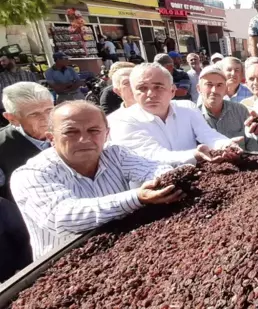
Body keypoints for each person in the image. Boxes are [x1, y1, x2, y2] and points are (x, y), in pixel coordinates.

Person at [11, 101, 184, 260]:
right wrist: (137, 198)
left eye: (94, 131)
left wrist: (165, 179)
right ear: (51, 138)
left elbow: (155, 169)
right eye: (71, 132)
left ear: (106, 134)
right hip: (67, 265)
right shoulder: (31, 174)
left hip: (123, 250)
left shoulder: (115, 154)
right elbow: (63, 218)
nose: (84, 139)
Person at [109, 63, 241, 167]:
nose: (150, 94)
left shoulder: (187, 108)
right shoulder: (121, 120)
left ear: (172, 91)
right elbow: (150, 155)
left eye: (158, 87)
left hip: (193, 183)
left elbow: (207, 133)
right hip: (153, 192)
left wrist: (225, 144)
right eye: (142, 88)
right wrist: (195, 155)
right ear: (133, 91)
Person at [0, 82, 53, 202]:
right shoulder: (2, 147)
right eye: (34, 114)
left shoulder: (69, 133)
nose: (46, 118)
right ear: (12, 118)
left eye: (49, 110)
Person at [198, 65, 254, 151]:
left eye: (219, 85)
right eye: (209, 85)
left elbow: (252, 145)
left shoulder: (240, 111)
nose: (214, 90)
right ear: (199, 89)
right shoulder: (194, 116)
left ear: (226, 89)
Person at [106, 67, 136, 135]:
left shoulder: (160, 112)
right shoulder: (112, 122)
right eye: (126, 83)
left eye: (136, 81)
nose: (134, 86)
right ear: (118, 91)